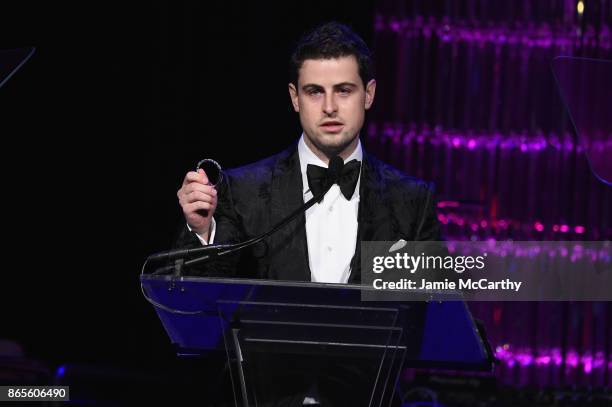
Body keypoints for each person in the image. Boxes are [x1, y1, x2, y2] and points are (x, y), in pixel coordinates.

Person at [174, 22, 441, 284]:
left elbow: (437, 312)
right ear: (295, 98)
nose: (329, 107)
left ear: (368, 94)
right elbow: (202, 302)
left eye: (344, 91)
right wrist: (201, 231)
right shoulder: (243, 192)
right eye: (315, 92)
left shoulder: (411, 202)